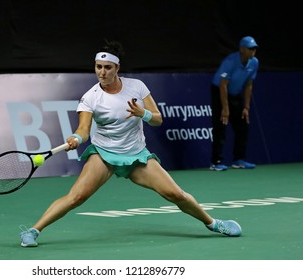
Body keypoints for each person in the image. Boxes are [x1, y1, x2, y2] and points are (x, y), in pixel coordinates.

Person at [20, 40, 242, 247]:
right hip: (104, 154)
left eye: (107, 67)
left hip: (136, 155)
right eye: (98, 67)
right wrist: (76, 139)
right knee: (76, 197)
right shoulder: (90, 98)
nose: (102, 72)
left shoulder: (137, 86)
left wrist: (142, 113)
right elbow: (83, 130)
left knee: (175, 194)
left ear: (117, 68)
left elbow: (157, 118)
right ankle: (33, 231)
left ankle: (213, 223)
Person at [209, 36, 259, 171]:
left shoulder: (254, 62)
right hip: (219, 91)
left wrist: (246, 107)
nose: (253, 51)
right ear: (242, 49)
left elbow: (249, 85)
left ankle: (239, 160)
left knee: (243, 125)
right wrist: (225, 108)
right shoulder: (230, 61)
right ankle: (216, 162)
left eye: (254, 48)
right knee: (221, 126)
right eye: (250, 48)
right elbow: (223, 85)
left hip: (236, 94)